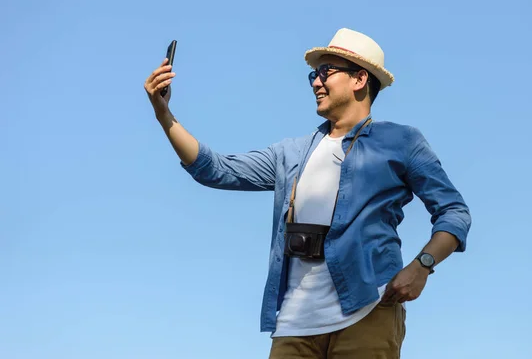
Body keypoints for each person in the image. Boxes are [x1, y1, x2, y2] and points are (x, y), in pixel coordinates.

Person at [144, 28, 471, 358]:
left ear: (360, 79)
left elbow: (454, 212)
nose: (315, 82)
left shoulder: (401, 142)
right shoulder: (290, 154)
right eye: (313, 74)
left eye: (326, 72)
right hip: (293, 325)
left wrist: (422, 265)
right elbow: (215, 169)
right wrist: (164, 115)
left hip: (368, 312)